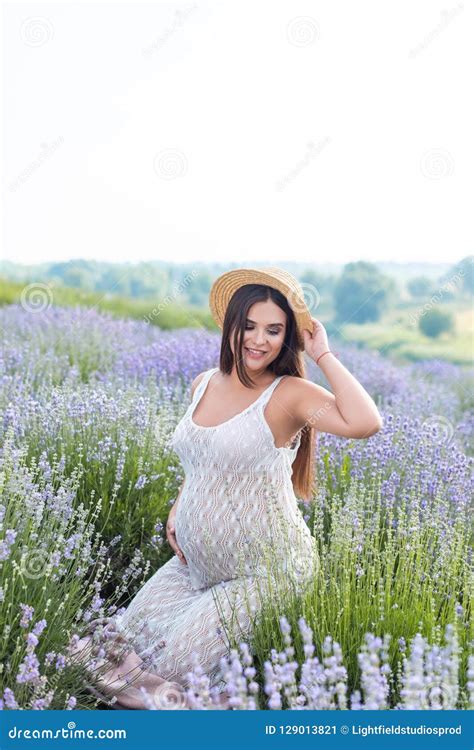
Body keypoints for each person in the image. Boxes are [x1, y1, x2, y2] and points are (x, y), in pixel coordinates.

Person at [67, 266, 383, 709]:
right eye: (249, 326)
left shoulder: (288, 393)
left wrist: (323, 355)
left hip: (266, 571)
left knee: (170, 672)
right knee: (115, 648)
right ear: (230, 325)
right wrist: (181, 505)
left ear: (287, 338)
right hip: (194, 566)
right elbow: (202, 458)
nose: (259, 340)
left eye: (274, 330)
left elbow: (366, 422)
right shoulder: (203, 383)